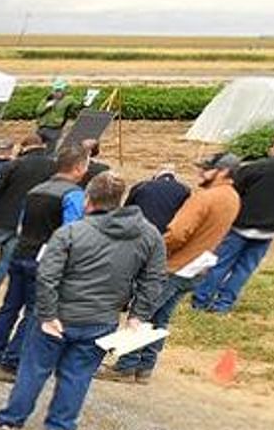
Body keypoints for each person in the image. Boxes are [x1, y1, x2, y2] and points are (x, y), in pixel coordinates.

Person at [0, 172, 166, 430]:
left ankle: (9, 423)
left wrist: (46, 314)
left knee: (33, 370)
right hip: (102, 319)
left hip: (59, 314)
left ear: (88, 200)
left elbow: (47, 275)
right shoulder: (150, 236)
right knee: (77, 376)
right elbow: (153, 279)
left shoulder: (71, 233)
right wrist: (137, 316)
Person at [103, 154, 242, 383]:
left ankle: (125, 366)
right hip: (198, 267)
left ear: (224, 172)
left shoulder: (204, 198)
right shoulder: (233, 197)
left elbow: (178, 232)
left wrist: (158, 250)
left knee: (143, 313)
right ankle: (145, 367)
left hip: (175, 265)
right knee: (161, 318)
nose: (200, 173)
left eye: (207, 169)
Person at [0, 144, 88, 378]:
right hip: (46, 260)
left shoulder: (36, 190)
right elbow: (72, 232)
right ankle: (11, 363)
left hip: (22, 251)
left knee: (9, 308)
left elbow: (20, 224)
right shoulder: (73, 195)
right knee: (33, 313)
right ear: (78, 168)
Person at [191, 133, 274, 313]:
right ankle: (223, 304)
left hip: (240, 225)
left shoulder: (255, 168)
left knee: (221, 263)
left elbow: (233, 191)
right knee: (245, 269)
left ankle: (201, 300)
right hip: (270, 229)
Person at [0, 135, 57, 306]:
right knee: (5, 262)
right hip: (26, 221)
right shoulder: (52, 166)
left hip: (0, 218)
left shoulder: (15, 164)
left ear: (24, 147)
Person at [124, 166, 190, 234]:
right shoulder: (184, 190)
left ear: (156, 176)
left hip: (144, 236)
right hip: (169, 236)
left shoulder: (141, 186)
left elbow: (126, 211)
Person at [35, 79, 83, 153]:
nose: (57, 93)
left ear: (64, 90)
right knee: (36, 148)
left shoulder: (68, 99)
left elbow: (77, 106)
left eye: (59, 90)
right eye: (55, 90)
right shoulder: (47, 99)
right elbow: (38, 111)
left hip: (54, 129)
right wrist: (47, 106)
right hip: (41, 128)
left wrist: (85, 102)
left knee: (51, 151)